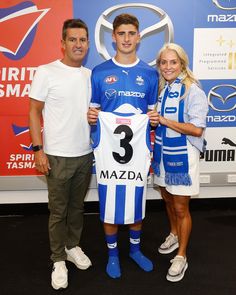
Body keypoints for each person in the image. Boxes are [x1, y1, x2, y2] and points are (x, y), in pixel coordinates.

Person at [87, 13, 159, 279]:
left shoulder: (150, 74)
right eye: (121, 34)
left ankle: (135, 250)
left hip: (137, 154)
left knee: (136, 203)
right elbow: (93, 112)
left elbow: (151, 117)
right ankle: (113, 255)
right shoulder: (100, 72)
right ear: (113, 37)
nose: (126, 39)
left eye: (131, 33)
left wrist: (152, 121)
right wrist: (91, 117)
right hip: (108, 154)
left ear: (139, 37)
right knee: (108, 205)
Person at [29, 19, 93, 290]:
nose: (78, 45)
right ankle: (58, 260)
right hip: (55, 155)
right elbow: (34, 111)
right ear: (63, 43)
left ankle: (72, 246)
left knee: (77, 208)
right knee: (58, 211)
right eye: (73, 40)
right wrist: (37, 149)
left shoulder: (91, 75)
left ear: (88, 44)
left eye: (82, 40)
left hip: (85, 153)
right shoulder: (47, 72)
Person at [153, 43, 208, 282]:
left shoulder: (192, 90)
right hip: (163, 154)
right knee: (166, 196)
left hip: (183, 157)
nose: (168, 67)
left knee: (180, 207)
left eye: (173, 62)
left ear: (182, 64)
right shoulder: (164, 89)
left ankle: (182, 255)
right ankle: (174, 233)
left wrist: (162, 120)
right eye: (163, 62)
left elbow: (196, 129)